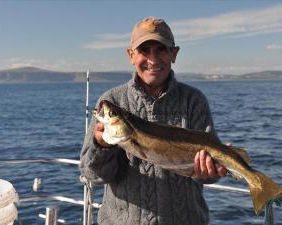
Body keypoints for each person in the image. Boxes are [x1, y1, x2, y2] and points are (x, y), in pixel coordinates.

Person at [80, 16, 227, 225]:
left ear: (174, 54)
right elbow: (92, 173)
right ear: (130, 55)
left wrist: (209, 173)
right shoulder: (111, 101)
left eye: (161, 50)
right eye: (144, 50)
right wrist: (101, 146)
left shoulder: (194, 101)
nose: (153, 59)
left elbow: (207, 173)